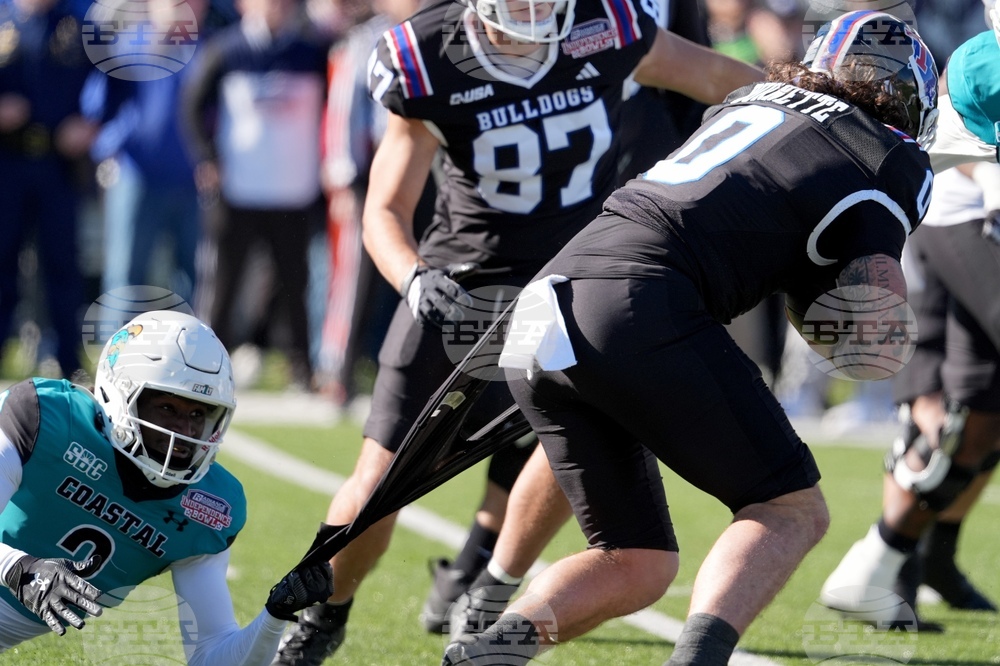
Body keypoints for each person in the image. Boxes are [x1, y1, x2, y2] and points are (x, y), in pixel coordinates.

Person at [440, 8, 940, 664]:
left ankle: (490, 647)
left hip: (552, 291)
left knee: (637, 561)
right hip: (640, 302)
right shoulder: (885, 155)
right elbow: (873, 335)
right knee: (791, 509)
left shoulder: (749, 101)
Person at [271, 0, 764, 662]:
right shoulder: (429, 55)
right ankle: (326, 614)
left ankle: (490, 584)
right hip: (466, 285)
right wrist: (414, 278)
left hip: (579, 282)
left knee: (586, 438)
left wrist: (812, 105)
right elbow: (383, 208)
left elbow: (729, 84)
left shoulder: (606, 24)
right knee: (378, 486)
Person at [418, 0, 718, 636]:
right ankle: (482, 574)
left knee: (577, 403)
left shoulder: (644, 16)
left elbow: (705, 85)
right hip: (538, 210)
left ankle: (485, 577)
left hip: (644, 199)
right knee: (539, 398)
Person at [0, 310, 334, 663]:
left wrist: (274, 615)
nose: (185, 434)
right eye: (167, 407)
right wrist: (16, 567)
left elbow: (212, 655)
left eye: (197, 415)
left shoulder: (208, 507)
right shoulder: (45, 419)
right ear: (120, 393)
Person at [820, 16, 1000, 630]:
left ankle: (874, 569)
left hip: (971, 222)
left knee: (978, 422)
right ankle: (898, 571)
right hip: (955, 220)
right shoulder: (983, 64)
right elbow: (972, 164)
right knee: (938, 413)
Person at [180, 0, 331, 391]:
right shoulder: (228, 49)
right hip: (239, 191)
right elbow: (193, 105)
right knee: (225, 285)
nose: (276, 8)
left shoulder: (310, 52)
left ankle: (302, 369)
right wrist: (208, 158)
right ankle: (206, 368)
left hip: (293, 192)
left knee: (296, 283)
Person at [0, 0, 99, 380]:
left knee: (62, 266)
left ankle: (69, 359)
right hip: (7, 163)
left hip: (57, 167)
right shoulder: (5, 21)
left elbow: (119, 78)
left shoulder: (75, 26)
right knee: (3, 262)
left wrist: (91, 123)